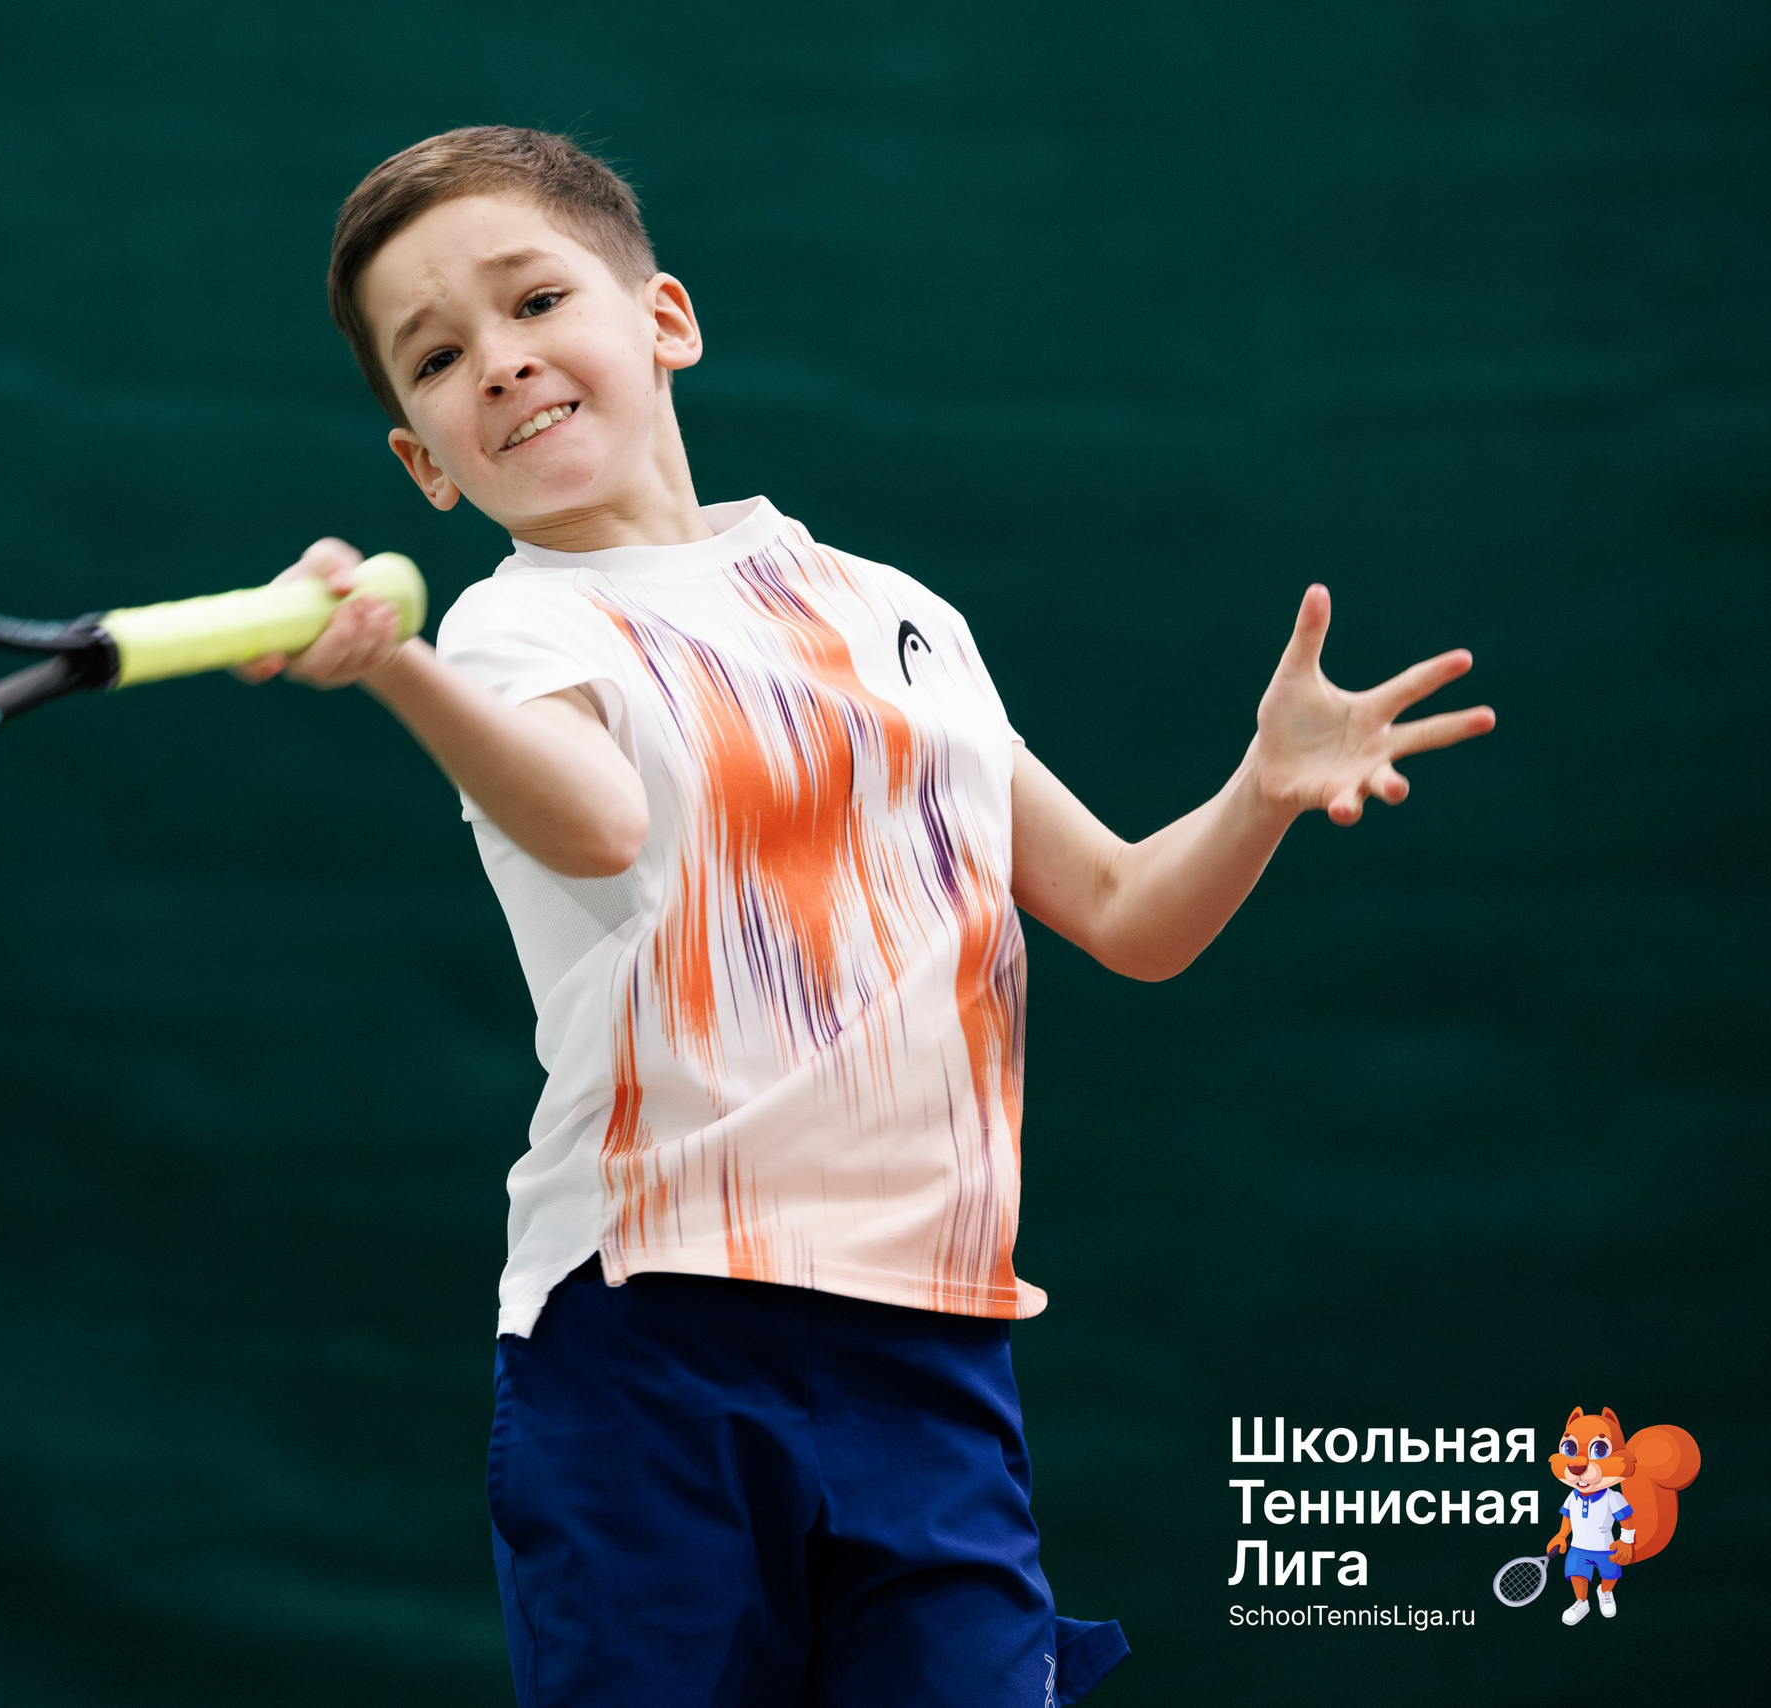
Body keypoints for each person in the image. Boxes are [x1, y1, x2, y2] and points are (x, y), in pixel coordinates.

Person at [237, 127, 1495, 1707]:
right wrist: (402, 666)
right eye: (436, 357)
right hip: (648, 1342)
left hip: (934, 1343)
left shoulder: (893, 615)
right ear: (425, 461)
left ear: (665, 321)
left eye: (536, 299)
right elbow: (601, 820)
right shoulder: (508, 628)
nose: (499, 362)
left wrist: (1256, 791)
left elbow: (1123, 912)